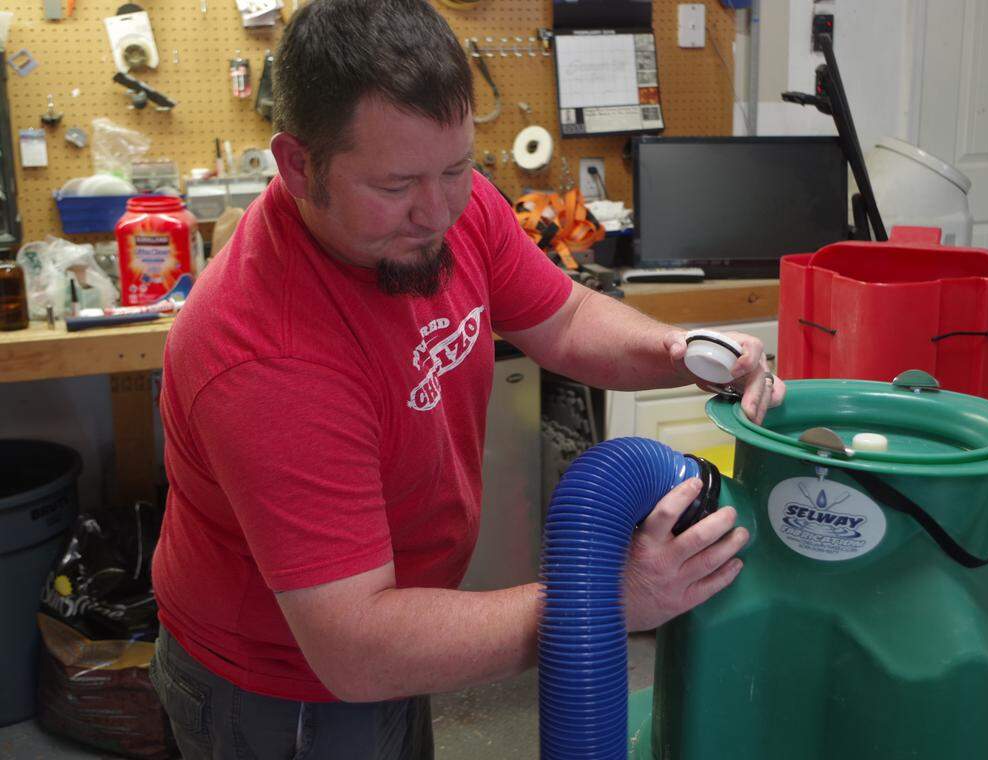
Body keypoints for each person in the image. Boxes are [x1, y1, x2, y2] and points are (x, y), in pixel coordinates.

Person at [148, 0, 786, 757]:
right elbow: (356, 647)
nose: (439, 210)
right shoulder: (267, 357)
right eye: (395, 186)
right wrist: (607, 600)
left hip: (394, 629)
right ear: (296, 166)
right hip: (280, 692)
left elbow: (566, 320)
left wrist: (678, 349)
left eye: (457, 168)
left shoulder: (443, 202)